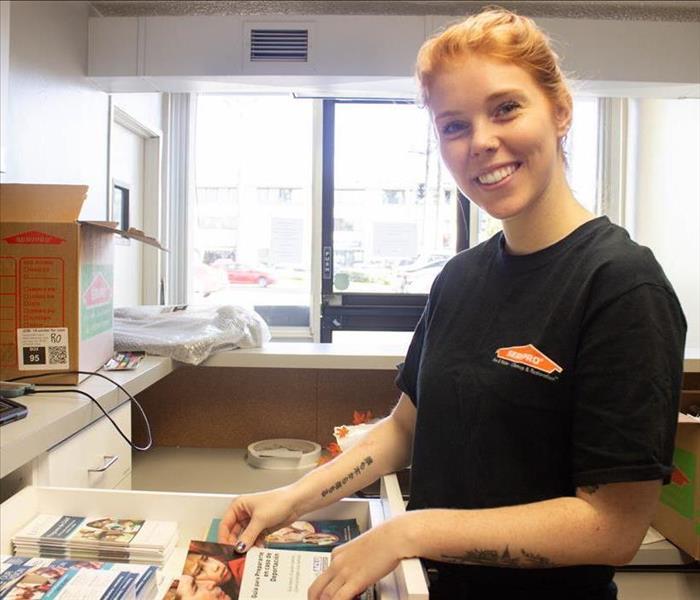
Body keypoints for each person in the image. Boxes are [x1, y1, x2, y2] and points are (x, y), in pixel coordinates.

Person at [219, 7, 687, 600]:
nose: (481, 143)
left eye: (505, 108)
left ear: (560, 109)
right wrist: (288, 498)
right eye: (453, 126)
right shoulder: (461, 277)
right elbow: (404, 429)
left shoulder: (620, 284)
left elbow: (613, 526)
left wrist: (410, 532)